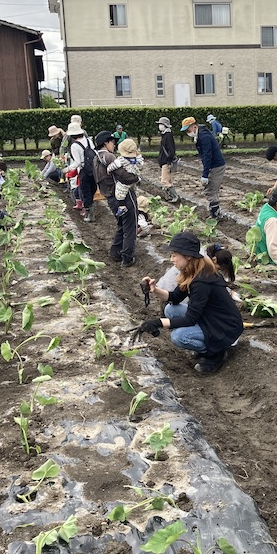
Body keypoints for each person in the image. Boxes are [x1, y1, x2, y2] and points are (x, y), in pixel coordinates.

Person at [137, 232, 244, 375]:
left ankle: (216, 354)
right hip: (211, 318)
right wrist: (154, 289)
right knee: (171, 309)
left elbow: (190, 319)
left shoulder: (201, 281)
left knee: (179, 336)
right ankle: (206, 345)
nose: (172, 259)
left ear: (187, 256)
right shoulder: (193, 270)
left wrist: (158, 322)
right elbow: (174, 297)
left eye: (175, 255)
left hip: (225, 327)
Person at [92, 130, 140, 267]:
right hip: (124, 196)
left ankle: (115, 252)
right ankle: (127, 257)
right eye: (112, 142)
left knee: (122, 224)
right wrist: (136, 178)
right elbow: (122, 175)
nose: (114, 144)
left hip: (111, 198)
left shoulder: (95, 159)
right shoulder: (109, 157)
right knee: (131, 226)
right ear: (106, 143)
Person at [181, 116, 226, 219]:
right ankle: (215, 213)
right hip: (213, 165)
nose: (188, 132)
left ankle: (215, 215)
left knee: (211, 189)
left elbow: (207, 155)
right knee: (210, 189)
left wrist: (205, 174)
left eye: (188, 130)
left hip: (216, 165)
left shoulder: (204, 136)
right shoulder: (199, 135)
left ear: (194, 127)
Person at [66, 119, 96, 221]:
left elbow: (77, 162)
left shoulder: (75, 145)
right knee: (92, 190)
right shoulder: (89, 141)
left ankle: (89, 214)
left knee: (85, 192)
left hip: (84, 170)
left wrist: (67, 169)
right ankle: (92, 211)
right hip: (93, 169)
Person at [156, 116, 180, 203]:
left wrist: (168, 160)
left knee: (164, 181)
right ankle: (171, 196)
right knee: (168, 180)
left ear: (165, 125)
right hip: (165, 161)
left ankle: (175, 196)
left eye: (161, 124)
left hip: (166, 162)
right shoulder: (165, 135)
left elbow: (171, 150)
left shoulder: (168, 136)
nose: (159, 126)